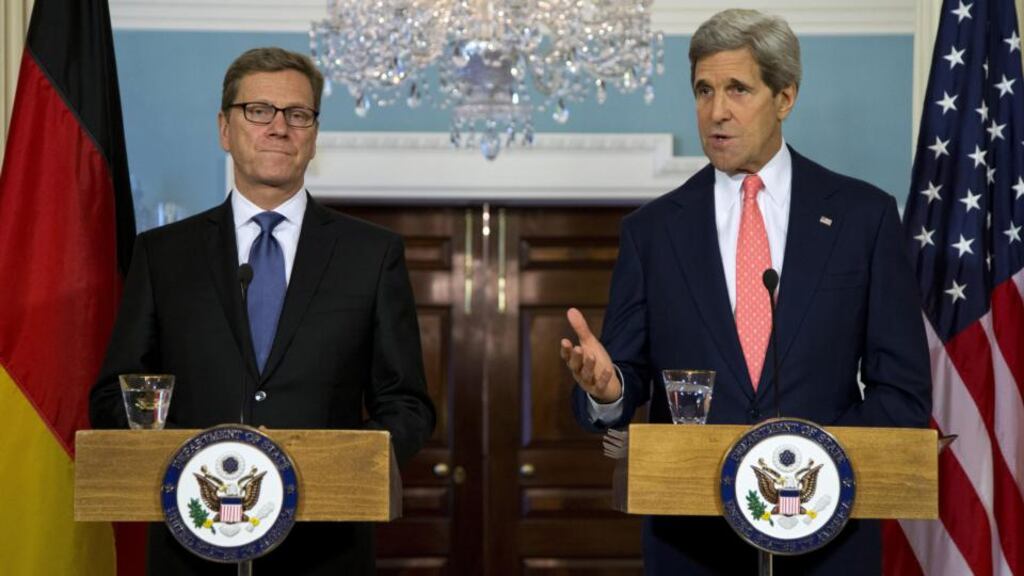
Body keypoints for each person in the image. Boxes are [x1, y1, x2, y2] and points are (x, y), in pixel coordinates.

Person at [560, 9, 930, 575]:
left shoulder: (863, 218)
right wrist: (609, 390)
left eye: (738, 89)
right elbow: (625, 375)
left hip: (829, 540)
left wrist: (804, 461)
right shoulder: (652, 232)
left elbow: (903, 393)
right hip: (691, 543)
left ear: (785, 97)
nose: (717, 112)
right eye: (704, 91)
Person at [90, 47, 435, 575]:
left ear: (313, 134)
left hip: (326, 550)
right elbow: (117, 394)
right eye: (259, 111)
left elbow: (407, 404)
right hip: (191, 549)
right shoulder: (163, 254)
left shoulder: (372, 255)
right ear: (225, 129)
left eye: (297, 114)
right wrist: (184, 459)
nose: (279, 127)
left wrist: (346, 465)